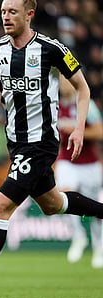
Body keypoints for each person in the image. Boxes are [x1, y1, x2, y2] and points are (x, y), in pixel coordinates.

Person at [0, 0, 103, 298]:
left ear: (29, 14)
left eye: (12, 12)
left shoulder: (51, 49)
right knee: (53, 204)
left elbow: (82, 88)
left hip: (40, 143)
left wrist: (79, 128)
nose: (6, 17)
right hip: (15, 143)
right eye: (3, 12)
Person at [55, 76, 103, 268]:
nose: (63, 84)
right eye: (60, 80)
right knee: (64, 195)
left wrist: (78, 129)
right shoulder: (54, 105)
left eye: (66, 79)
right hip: (66, 161)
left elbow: (99, 132)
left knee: (94, 209)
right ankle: (79, 236)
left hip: (89, 164)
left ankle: (99, 248)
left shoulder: (86, 105)